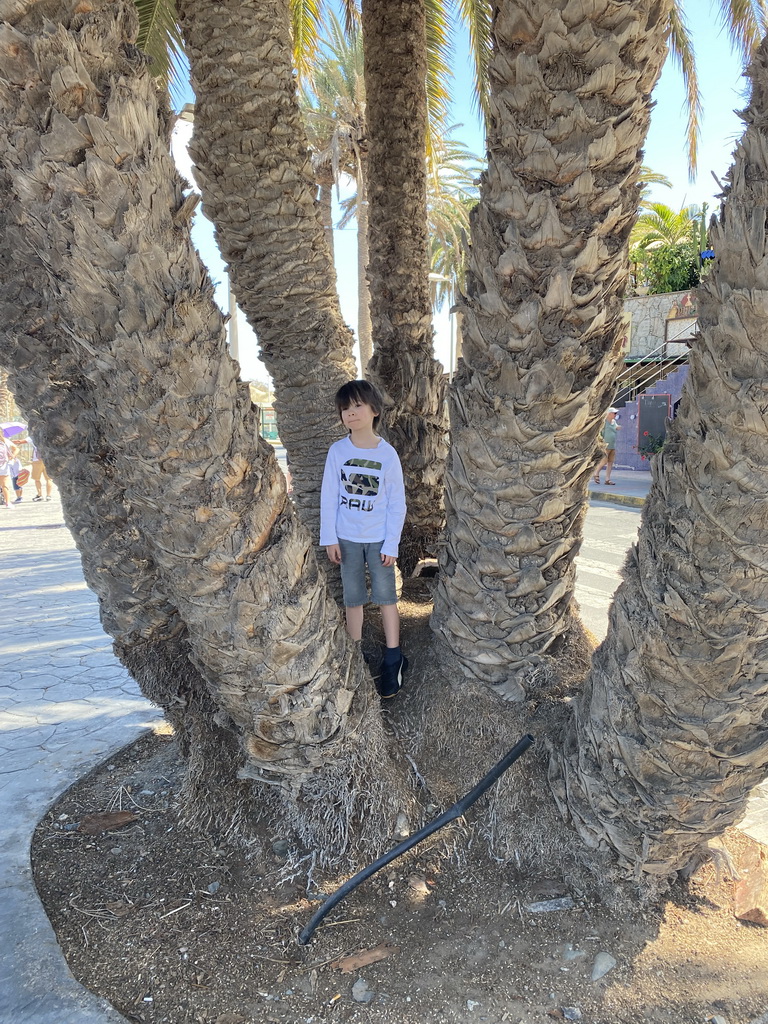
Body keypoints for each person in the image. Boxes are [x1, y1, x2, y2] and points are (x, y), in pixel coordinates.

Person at [320, 379, 408, 698]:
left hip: (379, 540)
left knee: (386, 597)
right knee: (353, 597)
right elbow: (329, 496)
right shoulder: (338, 451)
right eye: (345, 408)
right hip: (347, 539)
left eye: (357, 406)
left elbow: (397, 502)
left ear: (374, 411)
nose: (350, 413)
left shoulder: (387, 455)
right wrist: (330, 538)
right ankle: (354, 659)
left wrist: (391, 543)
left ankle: (393, 658)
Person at [594, 408, 620, 486]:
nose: (615, 415)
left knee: (610, 462)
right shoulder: (604, 422)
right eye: (614, 413)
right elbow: (600, 434)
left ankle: (607, 479)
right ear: (609, 414)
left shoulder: (614, 422)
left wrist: (618, 428)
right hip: (605, 446)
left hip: (612, 445)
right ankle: (596, 473)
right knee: (604, 461)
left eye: (616, 413)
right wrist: (601, 444)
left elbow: (616, 428)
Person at [0, 435, 18, 509]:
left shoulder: (4, 441)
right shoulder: (4, 441)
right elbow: (16, 448)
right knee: (5, 485)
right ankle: (8, 503)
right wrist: (12, 456)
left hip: (4, 466)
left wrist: (12, 456)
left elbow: (16, 449)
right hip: (4, 466)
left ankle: (7, 501)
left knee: (4, 485)